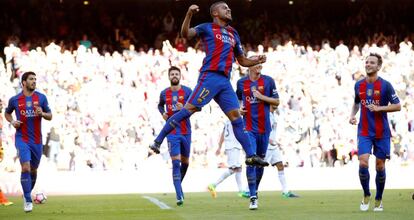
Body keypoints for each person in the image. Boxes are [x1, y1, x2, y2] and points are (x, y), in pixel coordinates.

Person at [149, 1, 269, 168]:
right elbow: (185, 34)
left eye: (228, 7)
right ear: (215, 13)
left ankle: (250, 155)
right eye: (224, 8)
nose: (229, 9)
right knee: (187, 110)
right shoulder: (206, 27)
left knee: (236, 117)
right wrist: (189, 14)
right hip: (210, 77)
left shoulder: (233, 33)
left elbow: (241, 60)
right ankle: (158, 140)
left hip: (225, 82)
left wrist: (256, 60)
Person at [349, 53, 401, 212]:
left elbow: (397, 106)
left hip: (382, 132)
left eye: (372, 63)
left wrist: (380, 108)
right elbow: (357, 103)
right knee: (363, 162)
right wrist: (352, 115)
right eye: (367, 62)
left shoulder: (386, 85)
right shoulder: (358, 85)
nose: (368, 64)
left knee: (379, 166)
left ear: (378, 66)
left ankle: (379, 198)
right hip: (364, 131)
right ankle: (366, 194)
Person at [4, 71, 52, 212]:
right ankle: (28, 200)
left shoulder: (42, 98)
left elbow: (50, 115)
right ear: (23, 82)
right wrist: (12, 121)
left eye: (35, 79)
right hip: (22, 139)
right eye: (31, 79)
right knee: (25, 167)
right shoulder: (15, 100)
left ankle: (26, 193)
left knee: (33, 169)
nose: (34, 81)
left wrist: (42, 113)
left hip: (37, 141)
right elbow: (7, 113)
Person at [236, 56, 279, 210]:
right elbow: (235, 101)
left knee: (260, 161)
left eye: (260, 62)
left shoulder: (268, 81)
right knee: (251, 158)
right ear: (249, 65)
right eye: (256, 62)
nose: (259, 64)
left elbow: (277, 101)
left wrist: (262, 97)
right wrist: (239, 110)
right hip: (249, 128)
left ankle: (255, 190)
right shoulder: (241, 83)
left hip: (265, 128)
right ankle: (253, 197)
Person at [157, 66, 192, 206]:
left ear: (180, 76)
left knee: (185, 163)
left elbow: (197, 107)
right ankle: (179, 195)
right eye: (172, 74)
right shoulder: (164, 93)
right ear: (169, 76)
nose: (174, 76)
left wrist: (183, 109)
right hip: (172, 133)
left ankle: (178, 186)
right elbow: (160, 106)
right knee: (175, 162)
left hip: (186, 132)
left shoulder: (188, 91)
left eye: (177, 74)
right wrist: (163, 113)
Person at [207, 120, 249, 199]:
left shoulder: (228, 120)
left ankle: (241, 191)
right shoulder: (236, 119)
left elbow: (223, 134)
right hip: (233, 146)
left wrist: (219, 147)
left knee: (238, 168)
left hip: (232, 146)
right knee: (233, 169)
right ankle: (213, 185)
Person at [265, 105, 299, 198]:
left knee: (280, 165)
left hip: (274, 146)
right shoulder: (266, 115)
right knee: (259, 168)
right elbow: (261, 131)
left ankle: (285, 191)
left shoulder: (274, 115)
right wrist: (269, 140)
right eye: (275, 102)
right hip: (266, 146)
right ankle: (248, 190)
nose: (277, 104)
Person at [0, 99, 13, 206]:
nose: (1, 106)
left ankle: (1, 199)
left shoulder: (1, 117)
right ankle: (1, 199)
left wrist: (1, 149)